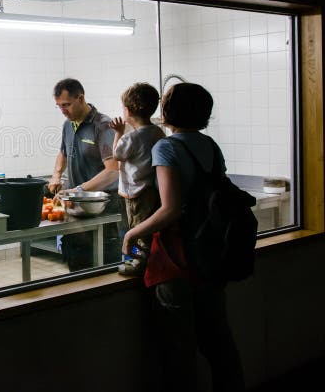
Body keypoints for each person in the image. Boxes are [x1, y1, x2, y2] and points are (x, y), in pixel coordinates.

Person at [122, 83, 245, 391]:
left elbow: (171, 209)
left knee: (179, 346)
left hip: (178, 257)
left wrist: (133, 232)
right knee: (218, 340)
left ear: (168, 111)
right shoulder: (210, 145)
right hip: (212, 253)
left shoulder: (166, 147)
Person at [48, 78, 121, 271]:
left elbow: (113, 171)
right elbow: (63, 153)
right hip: (76, 210)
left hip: (102, 209)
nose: (63, 111)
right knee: (77, 266)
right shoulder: (68, 125)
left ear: (80, 98)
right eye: (59, 106)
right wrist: (56, 175)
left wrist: (78, 190)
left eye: (66, 105)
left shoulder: (103, 126)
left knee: (102, 269)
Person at [110, 82, 165, 276]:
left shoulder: (130, 138)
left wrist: (118, 132)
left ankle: (140, 263)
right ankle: (147, 260)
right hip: (152, 189)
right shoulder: (158, 132)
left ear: (127, 110)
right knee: (148, 229)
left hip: (135, 193)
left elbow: (116, 155)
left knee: (137, 229)